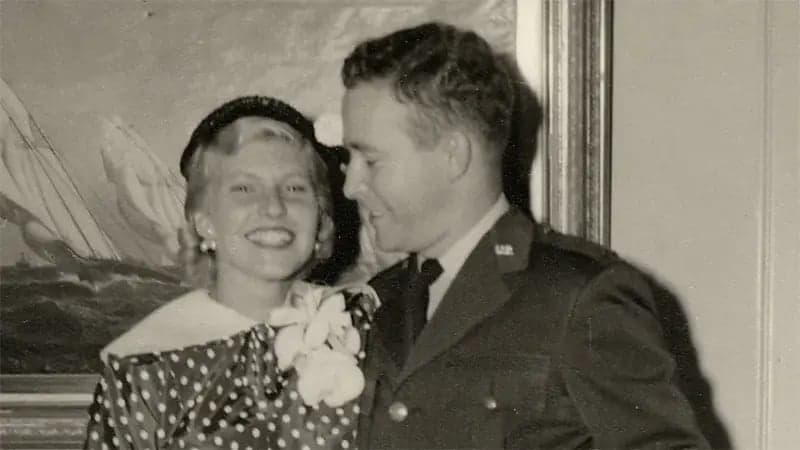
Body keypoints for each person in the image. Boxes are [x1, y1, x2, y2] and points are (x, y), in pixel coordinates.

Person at [340, 22, 711, 449]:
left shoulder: (578, 296)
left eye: (371, 160)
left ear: (453, 155)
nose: (351, 185)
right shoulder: (376, 300)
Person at [83, 96, 379, 449]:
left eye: (295, 188)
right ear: (204, 221)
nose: (273, 206)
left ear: (321, 222)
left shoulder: (364, 328)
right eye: (244, 188)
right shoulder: (147, 368)